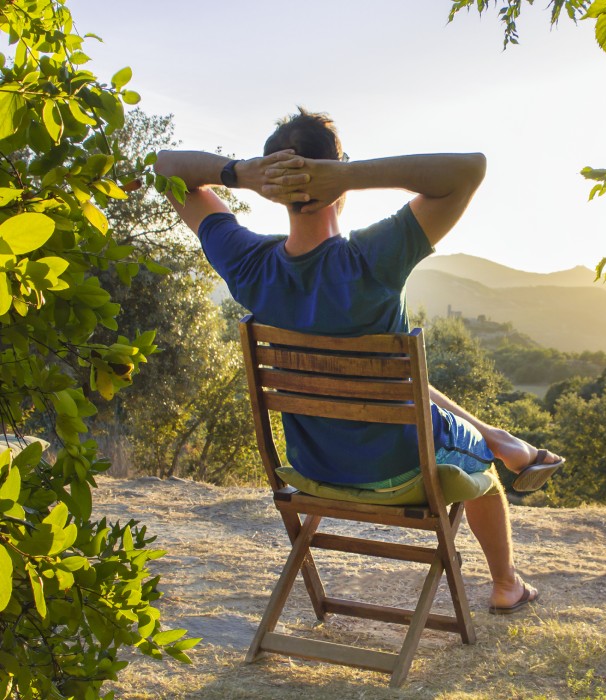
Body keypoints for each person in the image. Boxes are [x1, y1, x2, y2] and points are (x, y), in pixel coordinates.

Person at [155, 108, 564, 614]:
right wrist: (348, 174)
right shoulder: (372, 258)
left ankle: (501, 440)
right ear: (336, 178)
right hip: (401, 472)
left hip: (312, 470)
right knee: (481, 469)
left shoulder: (246, 263)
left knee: (398, 380)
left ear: (274, 190)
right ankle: (506, 584)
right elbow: (469, 169)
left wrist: (240, 175)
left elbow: (166, 167)